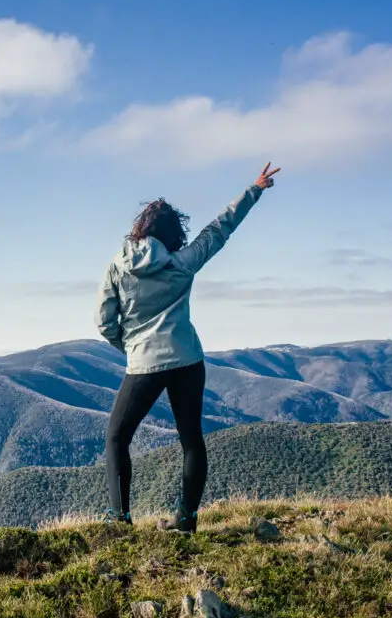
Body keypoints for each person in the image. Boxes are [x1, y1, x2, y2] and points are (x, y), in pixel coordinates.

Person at [94, 162, 281, 533]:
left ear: (141, 227)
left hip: (143, 364)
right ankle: (186, 520)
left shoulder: (117, 265)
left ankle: (119, 519)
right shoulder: (182, 263)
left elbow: (104, 321)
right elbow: (219, 230)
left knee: (117, 436)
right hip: (186, 360)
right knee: (191, 439)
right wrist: (254, 189)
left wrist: (132, 347)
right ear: (171, 233)